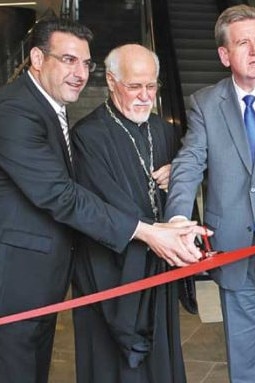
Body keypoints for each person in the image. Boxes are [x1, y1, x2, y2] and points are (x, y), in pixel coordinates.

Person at [0, 19, 206, 383]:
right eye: (68, 60)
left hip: (47, 279)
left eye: (84, 63)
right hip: (24, 280)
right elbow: (61, 195)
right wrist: (146, 232)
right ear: (36, 57)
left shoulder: (52, 106)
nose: (79, 73)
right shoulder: (16, 110)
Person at [165, 4, 255, 383]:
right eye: (243, 43)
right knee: (246, 368)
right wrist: (178, 220)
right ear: (224, 55)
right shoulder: (205, 103)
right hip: (233, 251)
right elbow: (188, 163)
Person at [71, 43, 206, 383]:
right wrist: (155, 232)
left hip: (156, 269)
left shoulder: (162, 130)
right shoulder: (87, 135)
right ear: (112, 81)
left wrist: (177, 175)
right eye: (135, 86)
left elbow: (180, 195)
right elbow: (101, 204)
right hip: (113, 271)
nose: (145, 96)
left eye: (152, 86)